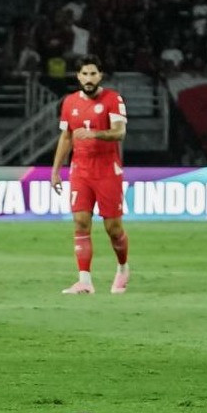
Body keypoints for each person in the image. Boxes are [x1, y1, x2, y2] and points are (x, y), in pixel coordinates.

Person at [50, 54, 130, 294]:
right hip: (80, 171)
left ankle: (123, 268)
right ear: (78, 76)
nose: (88, 78)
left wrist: (94, 134)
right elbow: (66, 137)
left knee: (113, 228)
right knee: (81, 222)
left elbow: (120, 132)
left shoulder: (113, 99)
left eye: (93, 73)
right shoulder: (69, 102)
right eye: (84, 74)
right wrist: (55, 171)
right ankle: (84, 281)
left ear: (100, 75)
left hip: (107, 171)